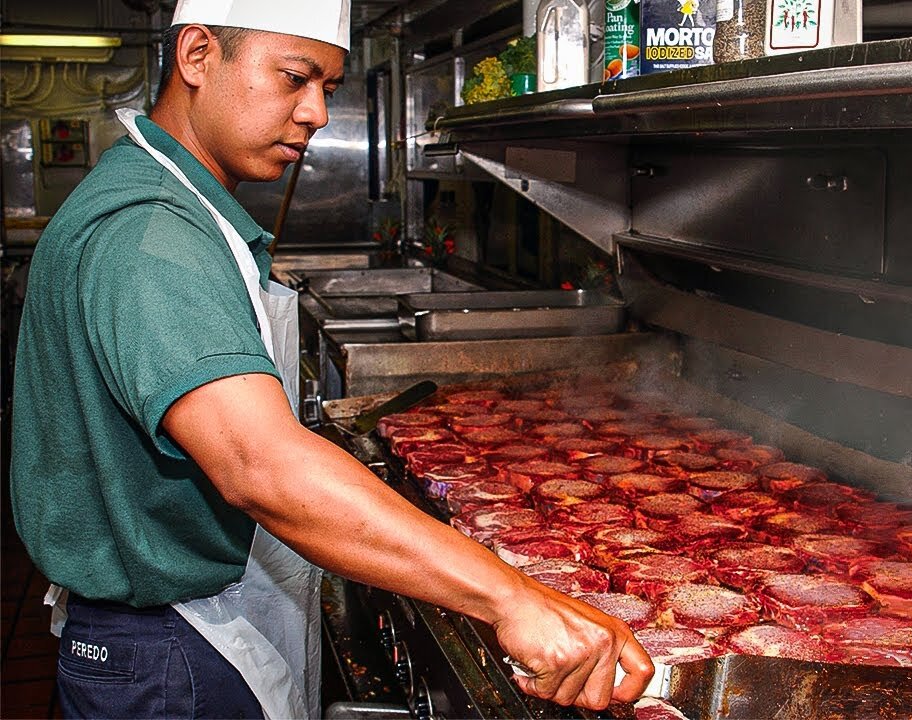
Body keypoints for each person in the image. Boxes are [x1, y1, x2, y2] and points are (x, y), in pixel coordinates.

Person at [7, 1, 653, 717]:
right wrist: (510, 595)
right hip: (168, 657)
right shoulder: (150, 233)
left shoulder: (170, 203)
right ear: (196, 55)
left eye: (330, 88)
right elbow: (261, 465)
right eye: (294, 77)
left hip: (169, 639)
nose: (314, 112)